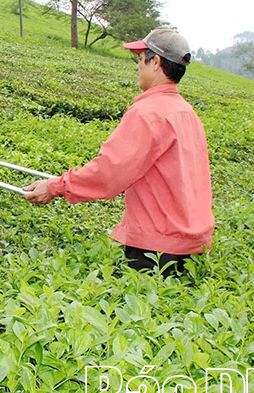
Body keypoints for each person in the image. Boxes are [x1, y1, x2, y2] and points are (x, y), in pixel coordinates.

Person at [22, 27, 215, 275]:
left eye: (140, 59)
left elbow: (109, 173)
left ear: (156, 62)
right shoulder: (187, 113)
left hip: (157, 247)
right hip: (194, 244)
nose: (138, 67)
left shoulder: (148, 113)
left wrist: (56, 186)